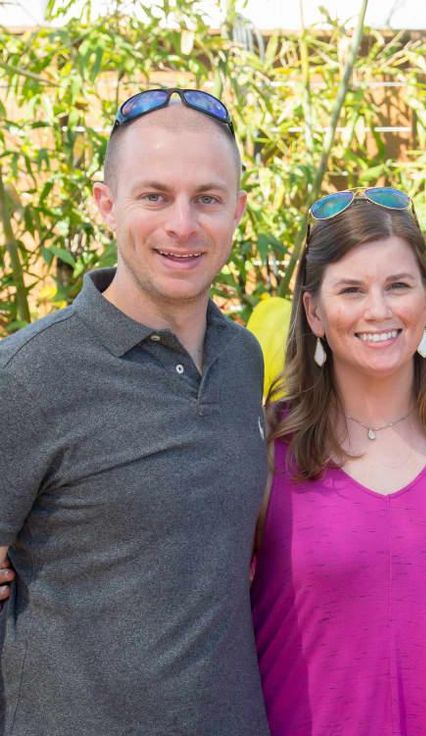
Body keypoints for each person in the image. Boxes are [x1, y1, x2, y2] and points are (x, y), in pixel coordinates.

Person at [0, 89, 269, 735]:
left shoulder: (243, 360)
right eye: (154, 196)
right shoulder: (28, 374)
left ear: (237, 210)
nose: (183, 224)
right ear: (106, 205)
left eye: (207, 198)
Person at [250, 187, 426, 735]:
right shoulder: (269, 446)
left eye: (398, 286)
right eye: (352, 290)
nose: (378, 310)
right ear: (314, 311)